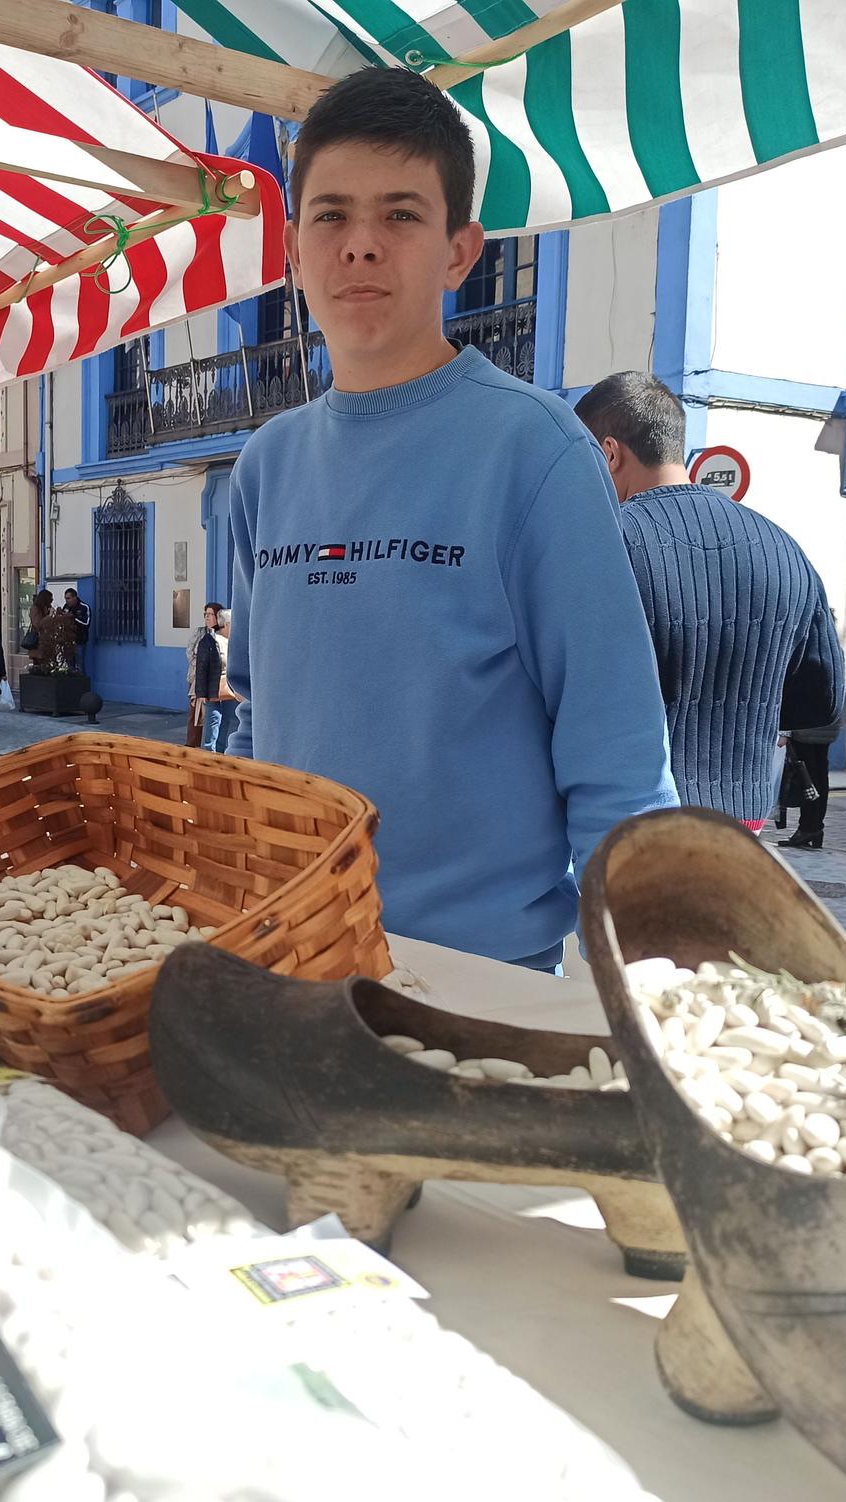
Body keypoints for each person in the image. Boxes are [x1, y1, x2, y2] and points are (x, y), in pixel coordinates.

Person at [226, 67, 675, 971]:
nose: (361, 246)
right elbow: (253, 721)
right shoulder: (263, 466)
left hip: (477, 981)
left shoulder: (536, 451)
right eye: (332, 215)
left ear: (460, 251)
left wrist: (654, 985)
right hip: (289, 962)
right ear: (291, 249)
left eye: (400, 215)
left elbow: (616, 754)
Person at [574, 372, 845, 831]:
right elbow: (822, 702)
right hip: (742, 820)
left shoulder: (606, 542)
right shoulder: (783, 547)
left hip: (630, 819)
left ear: (609, 453)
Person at [778, 630, 841, 849]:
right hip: (827, 723)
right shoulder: (834, 651)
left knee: (807, 777)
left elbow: (792, 690)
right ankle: (814, 827)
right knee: (819, 776)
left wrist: (784, 730)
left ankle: (808, 828)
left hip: (805, 723)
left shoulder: (805, 652)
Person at [194, 607, 239, 753]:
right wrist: (201, 694)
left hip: (228, 688)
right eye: (234, 623)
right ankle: (209, 753)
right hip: (213, 689)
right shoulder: (210, 641)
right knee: (213, 721)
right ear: (226, 624)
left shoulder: (232, 642)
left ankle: (220, 753)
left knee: (226, 721)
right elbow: (201, 668)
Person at [184, 602, 220, 748]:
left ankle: (213, 746)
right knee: (195, 713)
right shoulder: (199, 632)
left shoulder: (221, 634)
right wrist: (199, 665)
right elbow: (189, 651)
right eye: (206, 614)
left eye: (211, 614)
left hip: (215, 680)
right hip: (197, 678)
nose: (208, 617)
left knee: (213, 715)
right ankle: (192, 745)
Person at [61, 587, 91, 670]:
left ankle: (81, 682)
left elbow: (86, 624)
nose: (67, 601)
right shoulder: (66, 607)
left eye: (68, 598)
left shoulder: (84, 607)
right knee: (69, 666)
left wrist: (73, 618)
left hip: (79, 641)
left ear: (75, 597)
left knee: (79, 666)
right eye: (65, 598)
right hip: (68, 641)